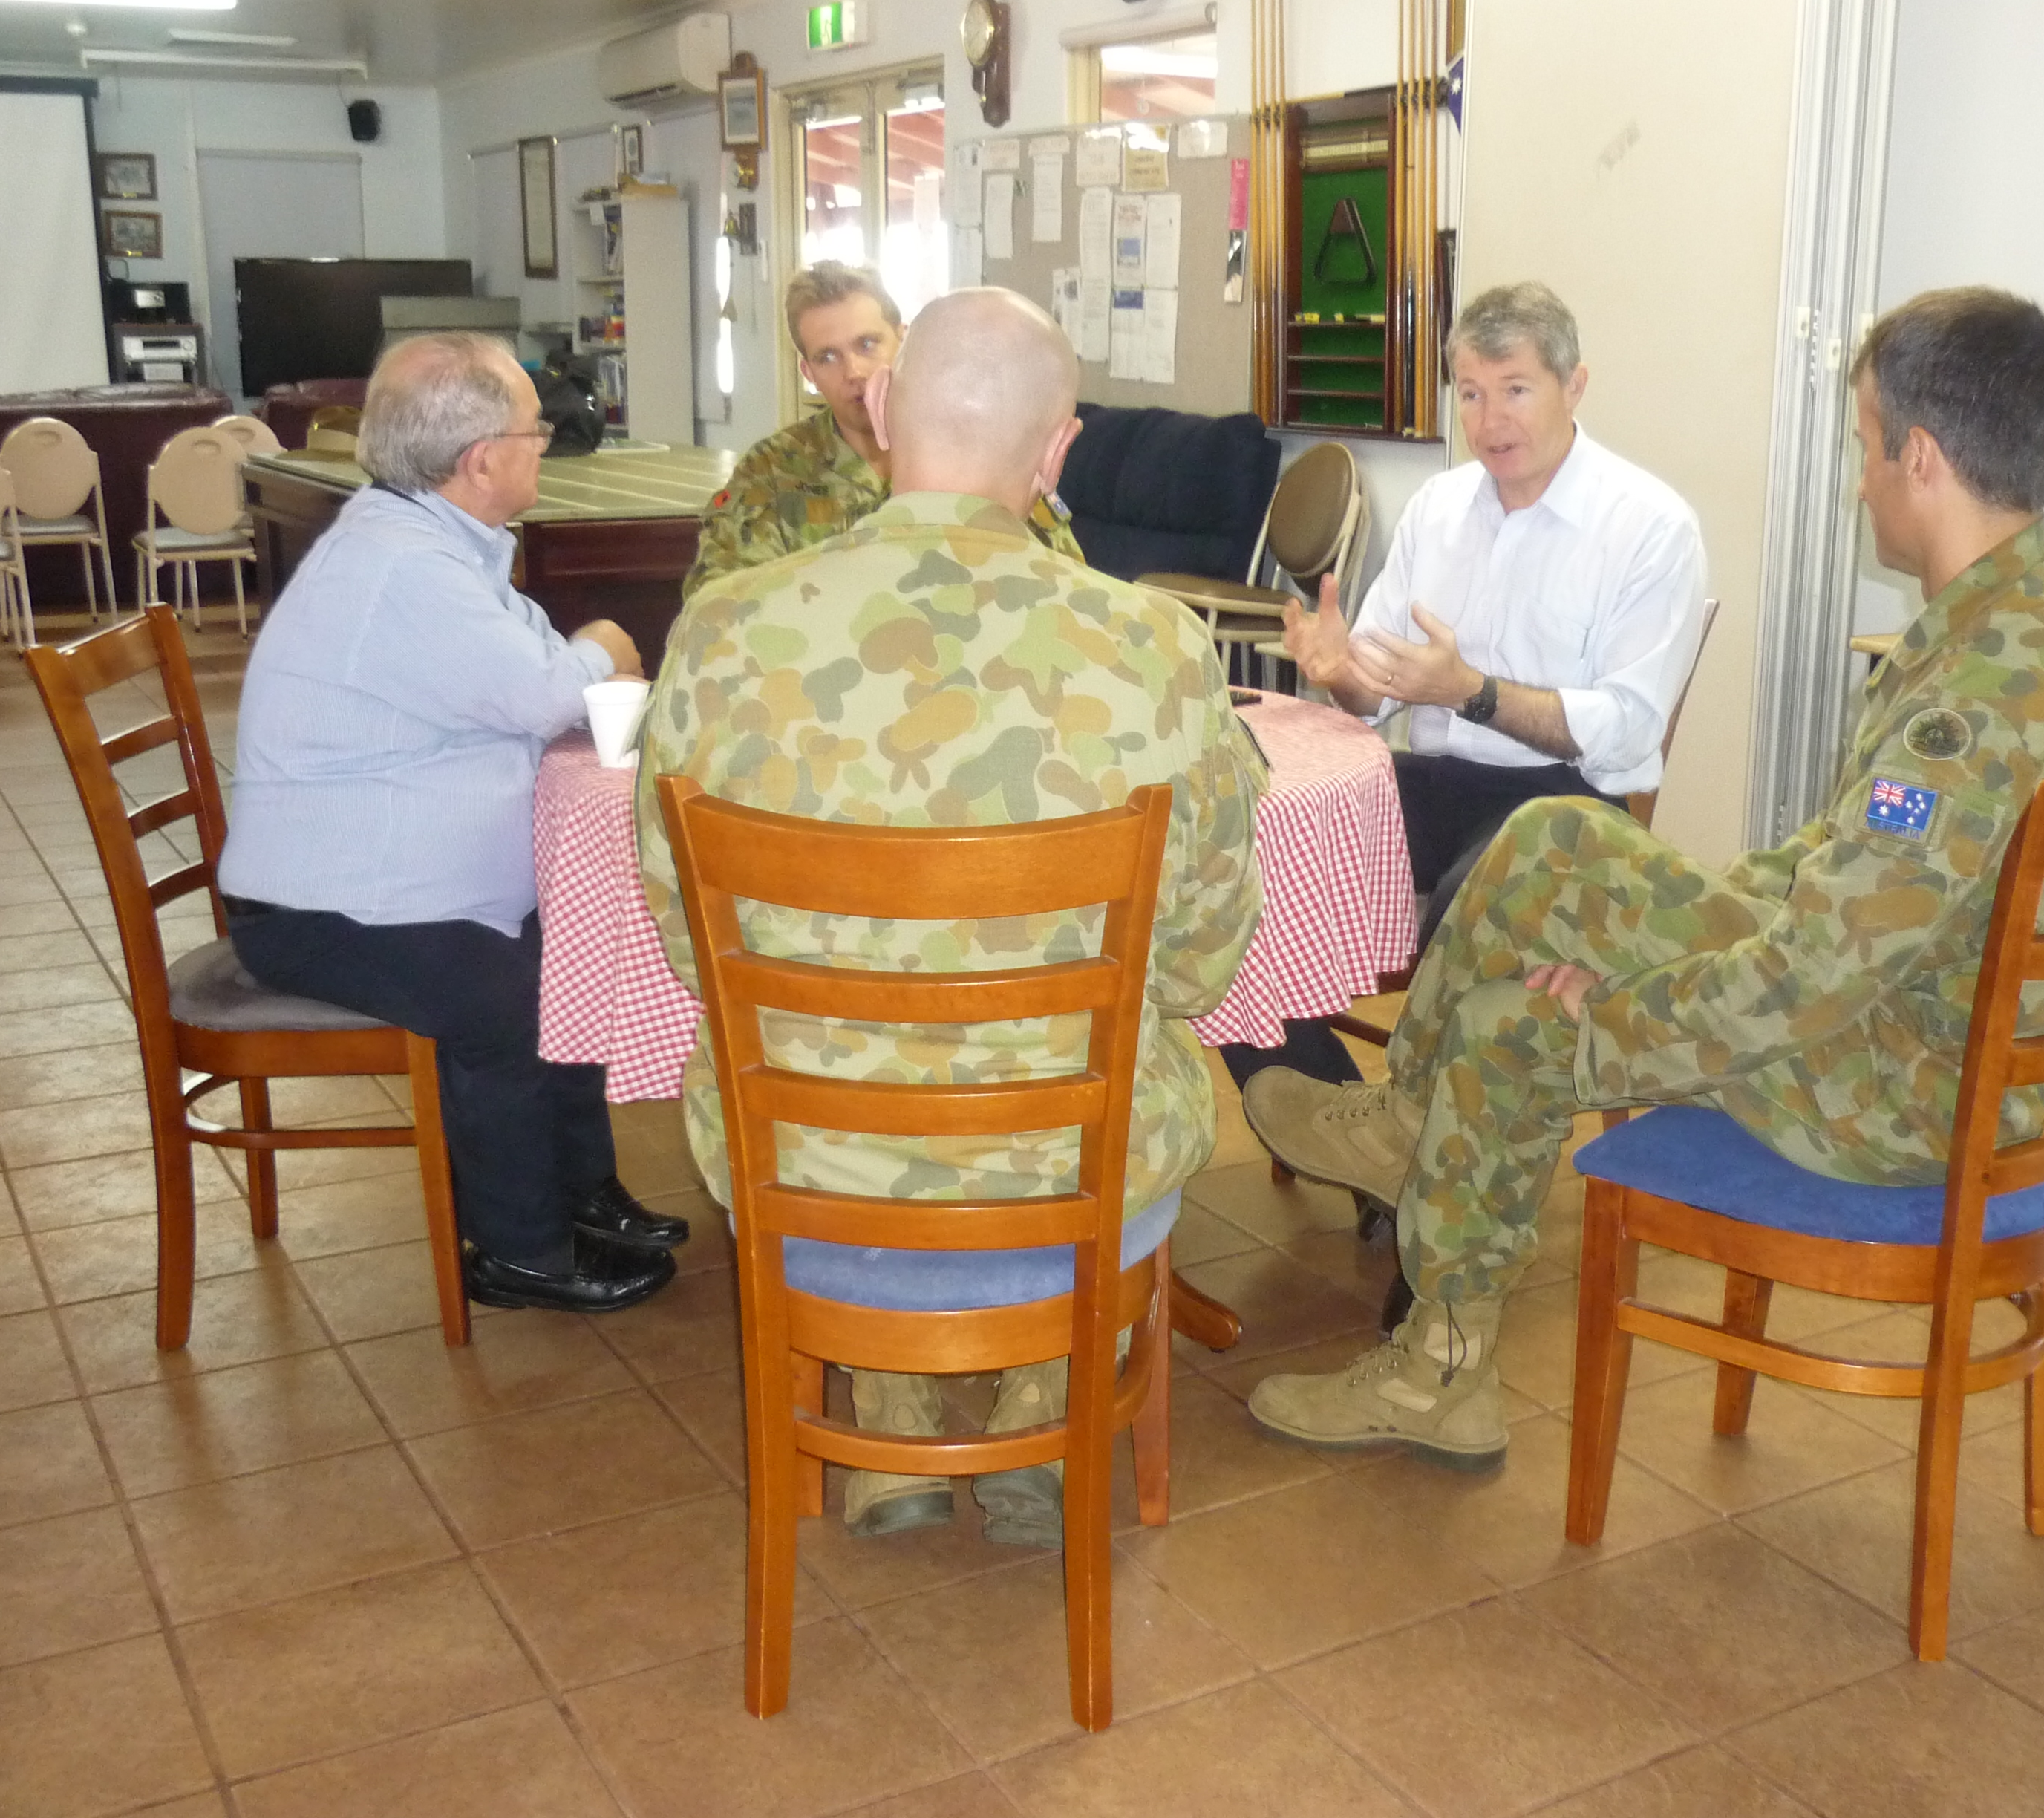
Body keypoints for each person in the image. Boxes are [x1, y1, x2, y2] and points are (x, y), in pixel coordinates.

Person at [1240, 287, 2044, 1470]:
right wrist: (1655, 932)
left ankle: (1443, 1372)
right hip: (1938, 1017)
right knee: (1553, 843)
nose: (1860, 481)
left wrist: (1619, 1004)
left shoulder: (1978, 693)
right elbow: (1847, 874)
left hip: (1909, 1083)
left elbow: (1820, 975)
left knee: (1510, 1023)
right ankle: (1409, 1121)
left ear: (1922, 458)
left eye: (1866, 447)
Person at [636, 287, 1265, 1543]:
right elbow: (1199, 963)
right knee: (1149, 1060)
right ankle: (1048, 1393)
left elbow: (684, 945)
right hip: (1076, 1186)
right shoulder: (1157, 649)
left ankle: (895, 1433)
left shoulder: (717, 635)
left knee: (799, 1060)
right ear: (1055, 450)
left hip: (806, 1181)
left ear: (876, 402)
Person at [218, 332, 687, 1315]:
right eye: (534, 430)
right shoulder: (402, 567)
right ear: (481, 460)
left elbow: (517, 669)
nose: (544, 444)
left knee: (568, 955)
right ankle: (520, 1252)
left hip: (387, 880)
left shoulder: (437, 544)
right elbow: (535, 693)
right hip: (320, 906)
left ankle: (580, 1197)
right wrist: (603, 644)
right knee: (500, 1006)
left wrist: (574, 661)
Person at [1219, 281, 1707, 1092]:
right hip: (1439, 780)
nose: (1489, 423)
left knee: (1469, 910)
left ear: (1574, 386)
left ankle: (1408, 1138)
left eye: (1516, 391)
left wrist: (1471, 692)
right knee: (1233, 863)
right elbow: (1376, 695)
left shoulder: (1650, 526)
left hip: (1571, 805)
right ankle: (1330, 1115)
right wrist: (1343, 672)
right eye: (1472, 395)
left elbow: (1627, 729)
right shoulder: (1440, 506)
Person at [682, 261, 1085, 599]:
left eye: (867, 344)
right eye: (828, 357)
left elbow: (1067, 580)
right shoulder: (772, 473)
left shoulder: (977, 452)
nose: (853, 372)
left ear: (903, 341)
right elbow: (718, 606)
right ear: (808, 372)